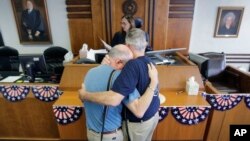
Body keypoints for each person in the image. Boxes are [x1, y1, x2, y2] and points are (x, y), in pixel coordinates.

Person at [80, 28, 160, 141]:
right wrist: (154, 82)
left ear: (128, 44)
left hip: (94, 132)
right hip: (148, 119)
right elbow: (138, 108)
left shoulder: (91, 72)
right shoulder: (150, 62)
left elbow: (130, 107)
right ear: (145, 43)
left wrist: (84, 95)